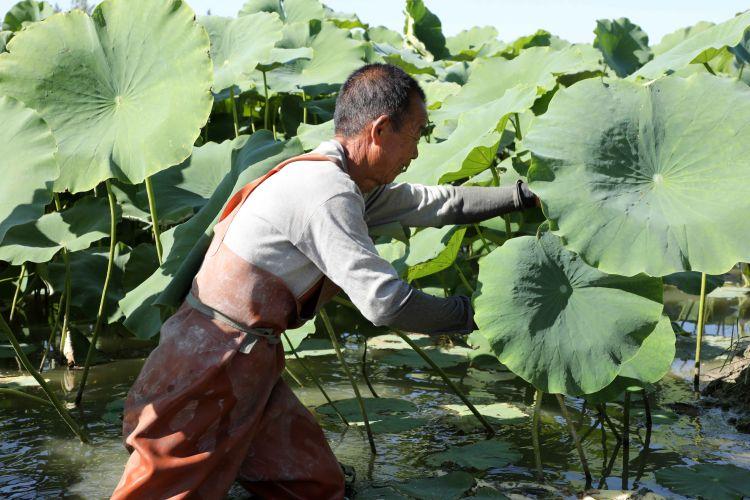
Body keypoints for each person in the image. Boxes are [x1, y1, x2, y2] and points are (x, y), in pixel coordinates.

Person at [112, 63, 538, 499]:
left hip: (247, 358)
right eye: (415, 135)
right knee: (162, 492)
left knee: (312, 486)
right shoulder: (326, 191)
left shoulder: (344, 182)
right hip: (211, 364)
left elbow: (435, 203)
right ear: (380, 129)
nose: (415, 152)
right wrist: (476, 316)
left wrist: (522, 196)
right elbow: (385, 303)